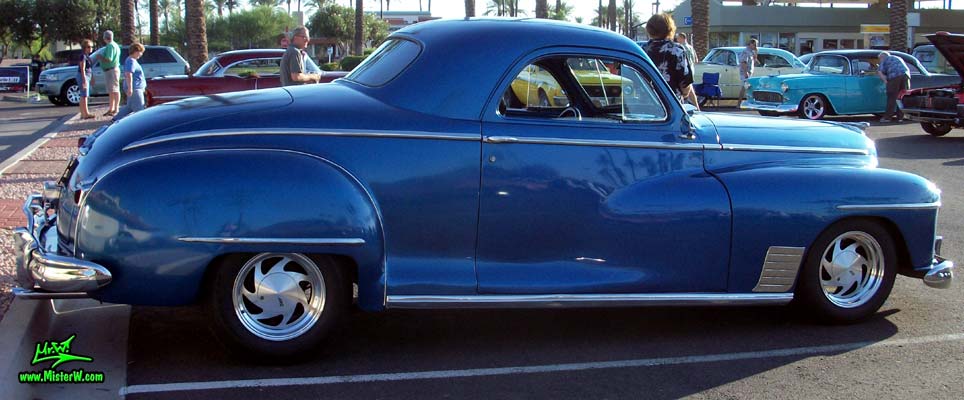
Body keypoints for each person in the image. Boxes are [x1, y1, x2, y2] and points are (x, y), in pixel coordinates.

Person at [642, 13, 698, 110]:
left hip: (645, 106)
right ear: (669, 29)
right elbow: (685, 84)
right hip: (671, 107)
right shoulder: (677, 50)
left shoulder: (642, 50)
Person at [113, 43, 147, 121]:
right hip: (135, 88)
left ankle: (115, 119)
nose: (141, 54)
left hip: (136, 87)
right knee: (139, 109)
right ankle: (141, 123)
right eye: (140, 52)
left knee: (129, 107)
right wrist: (130, 88)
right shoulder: (131, 61)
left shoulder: (131, 60)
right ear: (135, 51)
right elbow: (129, 74)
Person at [877, 51, 910, 123]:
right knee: (902, 96)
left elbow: (879, 72)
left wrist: (886, 81)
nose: (880, 60)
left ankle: (887, 118)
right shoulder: (898, 57)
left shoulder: (885, 59)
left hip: (894, 77)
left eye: (879, 59)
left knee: (892, 97)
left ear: (882, 57)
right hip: (905, 76)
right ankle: (900, 117)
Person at [96, 30, 121, 116]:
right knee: (112, 90)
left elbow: (109, 58)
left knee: (114, 90)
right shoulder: (116, 45)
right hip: (112, 70)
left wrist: (100, 57)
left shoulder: (110, 46)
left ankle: (115, 109)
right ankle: (112, 108)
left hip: (111, 70)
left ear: (105, 38)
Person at [77, 40, 95, 119]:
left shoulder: (87, 56)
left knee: (84, 95)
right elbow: (82, 69)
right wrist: (84, 80)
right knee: (84, 95)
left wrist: (92, 77)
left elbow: (90, 68)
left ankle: (83, 113)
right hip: (83, 76)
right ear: (84, 48)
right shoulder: (83, 56)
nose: (90, 48)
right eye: (88, 47)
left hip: (88, 76)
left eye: (91, 47)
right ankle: (85, 113)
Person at [737, 39, 758, 105]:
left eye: (756, 45)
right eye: (754, 45)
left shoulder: (751, 52)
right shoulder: (746, 51)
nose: (755, 46)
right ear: (750, 44)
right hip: (745, 72)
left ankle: (747, 102)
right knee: (744, 87)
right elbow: (743, 62)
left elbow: (755, 61)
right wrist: (745, 72)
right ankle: (739, 104)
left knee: (747, 87)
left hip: (749, 72)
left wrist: (756, 52)